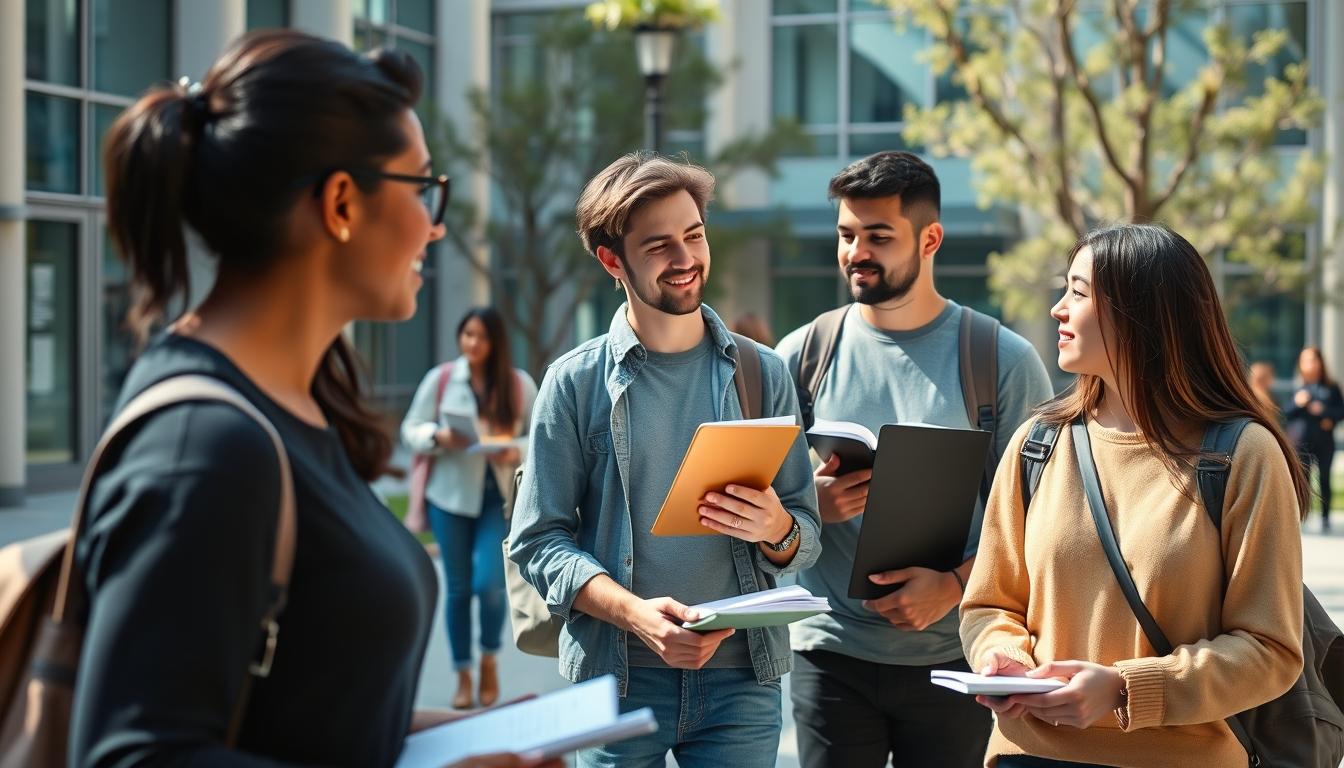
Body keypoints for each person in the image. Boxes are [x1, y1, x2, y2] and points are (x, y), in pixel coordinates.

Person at [76, 29, 558, 768]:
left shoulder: (293, 408)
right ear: (340, 203)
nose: (435, 225)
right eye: (422, 188)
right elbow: (134, 757)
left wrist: (466, 739)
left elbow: (305, 719)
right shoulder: (206, 446)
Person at [507, 153, 822, 768]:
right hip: (616, 679)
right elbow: (537, 540)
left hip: (743, 680)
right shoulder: (573, 384)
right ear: (612, 261)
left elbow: (804, 534)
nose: (685, 258)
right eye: (659, 246)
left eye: (694, 235)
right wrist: (635, 616)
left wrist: (777, 529)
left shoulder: (763, 373)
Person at [961, 224, 1307, 767]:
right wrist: (1004, 657)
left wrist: (1126, 689)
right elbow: (990, 604)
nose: (1057, 309)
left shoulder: (1241, 455)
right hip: (1028, 753)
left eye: (1078, 292)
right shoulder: (1037, 445)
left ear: (1140, 315)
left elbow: (1271, 650)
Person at [776, 150, 1054, 768]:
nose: (856, 252)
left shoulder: (1001, 361)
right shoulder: (799, 356)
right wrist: (807, 508)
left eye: (879, 236)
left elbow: (1045, 520)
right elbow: (762, 509)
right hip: (829, 651)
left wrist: (955, 586)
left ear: (930, 240)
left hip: (957, 658)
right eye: (847, 235)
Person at [401, 306, 538, 709]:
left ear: (496, 342)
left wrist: (515, 450)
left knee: (489, 586)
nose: (472, 343)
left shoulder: (518, 384)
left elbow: (542, 435)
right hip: (450, 499)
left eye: (481, 336)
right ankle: (463, 674)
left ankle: (489, 659)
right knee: (458, 589)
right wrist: (438, 437)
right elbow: (410, 429)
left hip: (499, 500)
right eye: (467, 334)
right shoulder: (442, 379)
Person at [1286, 346, 1344, 530]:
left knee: (1324, 478)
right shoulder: (1297, 386)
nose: (1309, 364)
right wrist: (1297, 403)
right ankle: (1304, 515)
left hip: (1324, 442)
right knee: (1303, 480)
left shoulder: (1331, 387)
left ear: (1320, 362)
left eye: (1312, 359)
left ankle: (1325, 517)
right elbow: (1286, 413)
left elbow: (1340, 411)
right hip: (1301, 442)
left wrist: (1326, 414)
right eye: (1305, 360)